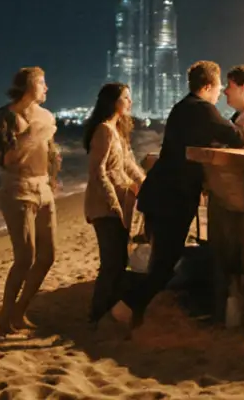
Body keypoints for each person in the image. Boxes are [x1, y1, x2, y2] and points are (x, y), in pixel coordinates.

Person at [110, 61, 244, 329]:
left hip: (160, 193)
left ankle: (128, 308)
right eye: (218, 87)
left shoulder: (183, 107)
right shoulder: (201, 108)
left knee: (163, 261)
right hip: (172, 198)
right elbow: (238, 137)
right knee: (164, 263)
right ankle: (126, 307)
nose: (219, 93)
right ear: (206, 86)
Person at [0, 66, 60, 334]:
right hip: (17, 190)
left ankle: (20, 311)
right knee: (25, 257)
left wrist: (53, 177)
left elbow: (51, 151)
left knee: (48, 255)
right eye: (42, 83)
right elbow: (7, 159)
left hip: (43, 189)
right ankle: (6, 315)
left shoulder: (46, 116)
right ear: (28, 86)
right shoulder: (6, 116)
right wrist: (31, 136)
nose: (46, 88)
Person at [83, 82, 146, 325]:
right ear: (113, 102)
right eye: (126, 98)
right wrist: (113, 203)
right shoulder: (104, 131)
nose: (130, 102)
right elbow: (98, 171)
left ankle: (110, 310)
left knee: (119, 260)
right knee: (111, 262)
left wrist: (145, 182)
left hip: (120, 203)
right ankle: (97, 314)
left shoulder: (116, 130)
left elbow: (128, 165)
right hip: (105, 206)